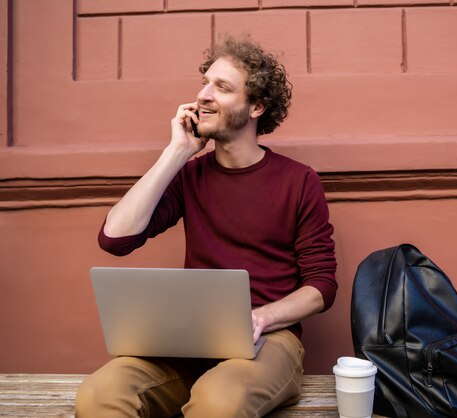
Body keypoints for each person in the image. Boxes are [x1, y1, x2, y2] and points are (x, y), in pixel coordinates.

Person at [75, 35, 337, 418]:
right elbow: (114, 239)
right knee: (100, 394)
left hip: (269, 338)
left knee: (218, 403)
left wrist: (260, 317)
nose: (203, 95)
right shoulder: (189, 175)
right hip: (190, 338)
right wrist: (177, 152)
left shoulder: (298, 181)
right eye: (205, 82)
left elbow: (321, 287)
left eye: (222, 87)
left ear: (256, 107)